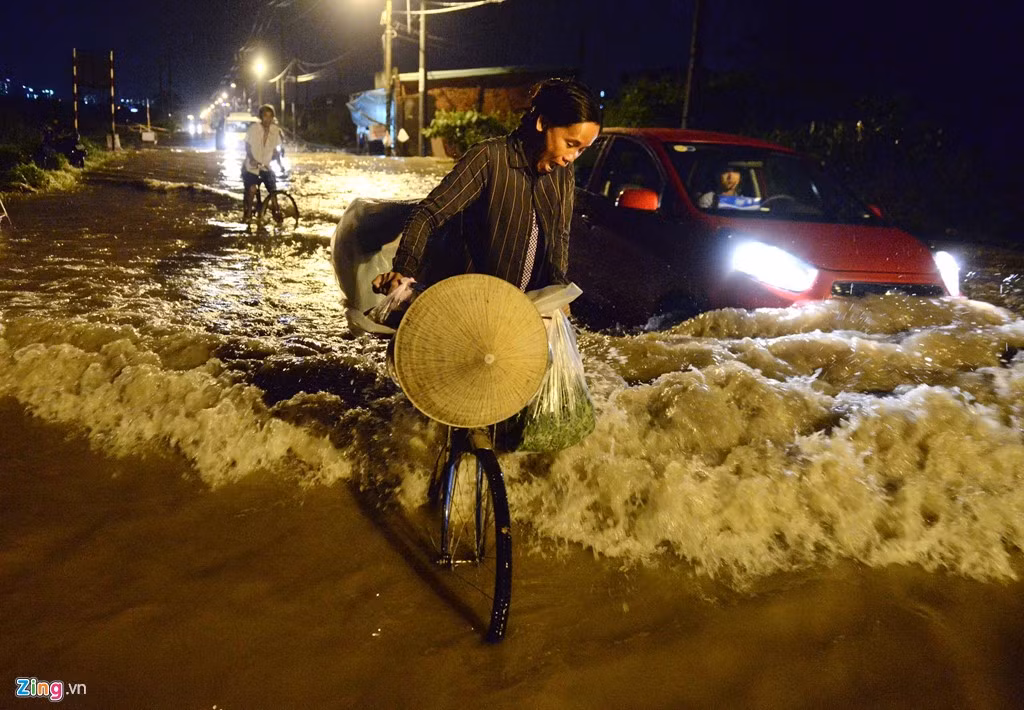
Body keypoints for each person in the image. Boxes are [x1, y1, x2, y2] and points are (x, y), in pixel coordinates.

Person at [371, 77, 602, 297]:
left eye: (581, 150)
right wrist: (403, 270)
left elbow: (559, 237)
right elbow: (427, 214)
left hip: (524, 313)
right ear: (543, 122)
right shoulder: (490, 158)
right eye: (570, 144)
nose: (571, 157)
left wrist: (558, 292)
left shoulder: (563, 173)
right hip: (473, 305)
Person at [242, 104, 284, 223]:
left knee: (273, 189)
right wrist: (251, 158)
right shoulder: (253, 128)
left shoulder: (275, 130)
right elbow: (247, 146)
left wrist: (280, 164)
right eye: (265, 116)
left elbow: (275, 149)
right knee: (252, 189)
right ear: (261, 116)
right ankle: (248, 213)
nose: (268, 119)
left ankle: (276, 211)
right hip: (252, 167)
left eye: (270, 116)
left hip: (266, 166)